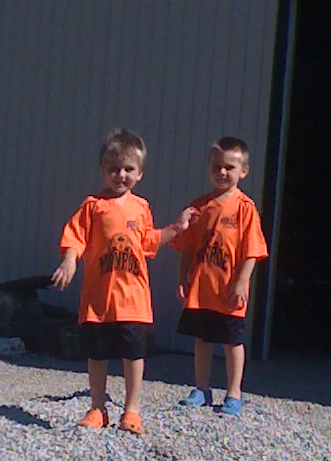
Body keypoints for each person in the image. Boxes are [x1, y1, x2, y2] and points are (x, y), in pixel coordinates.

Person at [52, 129, 195, 434]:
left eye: (129, 169)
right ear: (103, 170)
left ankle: (131, 410)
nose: (121, 175)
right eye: (114, 168)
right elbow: (74, 237)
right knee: (97, 355)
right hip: (98, 300)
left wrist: (178, 227)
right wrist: (69, 260)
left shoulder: (141, 208)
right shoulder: (92, 206)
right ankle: (97, 407)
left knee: (133, 356)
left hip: (133, 300)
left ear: (140, 173)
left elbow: (150, 241)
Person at [172, 136, 269, 417]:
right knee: (202, 340)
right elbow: (186, 246)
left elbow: (252, 250)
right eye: (216, 167)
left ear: (244, 171)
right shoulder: (200, 207)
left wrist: (241, 281)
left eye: (229, 167)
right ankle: (201, 389)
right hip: (202, 290)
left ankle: (234, 393)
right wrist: (182, 277)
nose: (222, 173)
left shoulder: (245, 208)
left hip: (229, 292)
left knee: (232, 342)